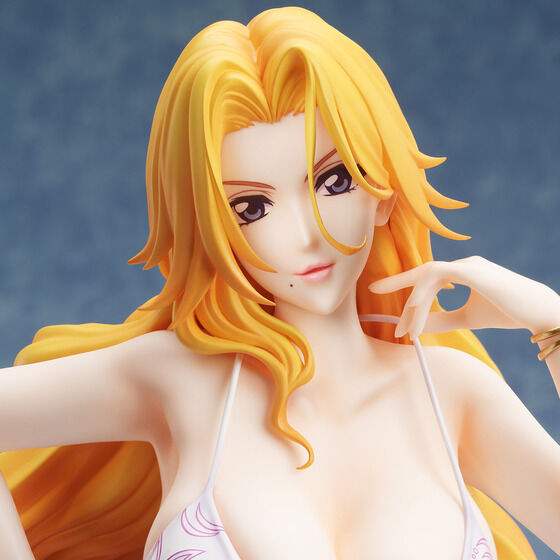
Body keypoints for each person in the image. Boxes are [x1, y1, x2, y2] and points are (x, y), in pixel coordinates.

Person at [1, 6, 558, 559]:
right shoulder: (178, 381)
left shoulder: (452, 393)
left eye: (333, 181)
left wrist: (551, 322)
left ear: (384, 189)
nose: (304, 235)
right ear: (211, 230)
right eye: (251, 207)